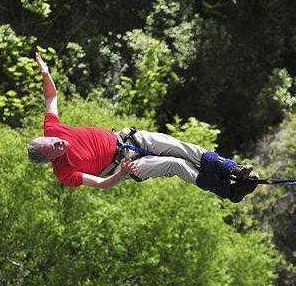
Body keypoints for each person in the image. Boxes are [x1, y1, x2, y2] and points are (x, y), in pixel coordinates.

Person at [27, 52, 258, 202]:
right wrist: (123, 172)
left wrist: (46, 74)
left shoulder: (52, 129)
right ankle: (230, 191)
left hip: (127, 139)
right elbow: (101, 183)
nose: (58, 143)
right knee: (176, 164)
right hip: (127, 166)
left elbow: (51, 97)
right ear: (50, 159)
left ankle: (232, 169)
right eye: (54, 149)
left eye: (52, 141)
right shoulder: (64, 172)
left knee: (182, 148)